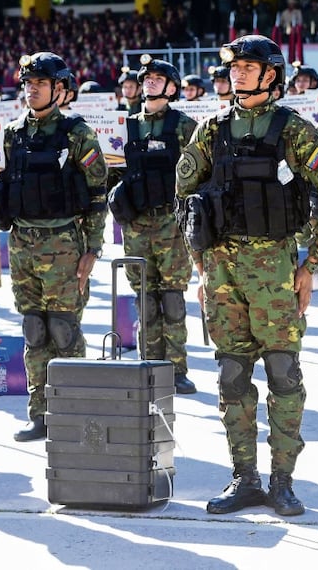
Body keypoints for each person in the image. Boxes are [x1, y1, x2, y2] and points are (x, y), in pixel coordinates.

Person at [176, 34, 318, 517]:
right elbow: (185, 199)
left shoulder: (293, 130)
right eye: (233, 66)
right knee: (232, 376)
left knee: (282, 373)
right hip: (220, 272)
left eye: (248, 66)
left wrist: (310, 266)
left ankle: (282, 480)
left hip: (276, 269)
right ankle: (245, 478)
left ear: (271, 74)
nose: (237, 73)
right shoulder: (211, 129)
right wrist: (200, 263)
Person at [0, 52, 108, 443]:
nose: (31, 90)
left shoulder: (78, 133)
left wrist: (92, 248)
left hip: (63, 242)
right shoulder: (13, 133)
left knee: (63, 330)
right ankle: (38, 413)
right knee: (34, 329)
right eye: (27, 83)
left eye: (40, 83)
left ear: (60, 89)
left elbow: (96, 194)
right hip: (23, 241)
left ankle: (72, 410)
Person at [108, 55, 198, 395]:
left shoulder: (183, 126)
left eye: (158, 78)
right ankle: (149, 363)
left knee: (172, 298)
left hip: (170, 223)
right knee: (144, 296)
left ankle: (176, 369)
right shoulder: (125, 125)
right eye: (146, 77)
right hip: (137, 224)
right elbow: (110, 172)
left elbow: (199, 172)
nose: (150, 82)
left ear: (172, 87)